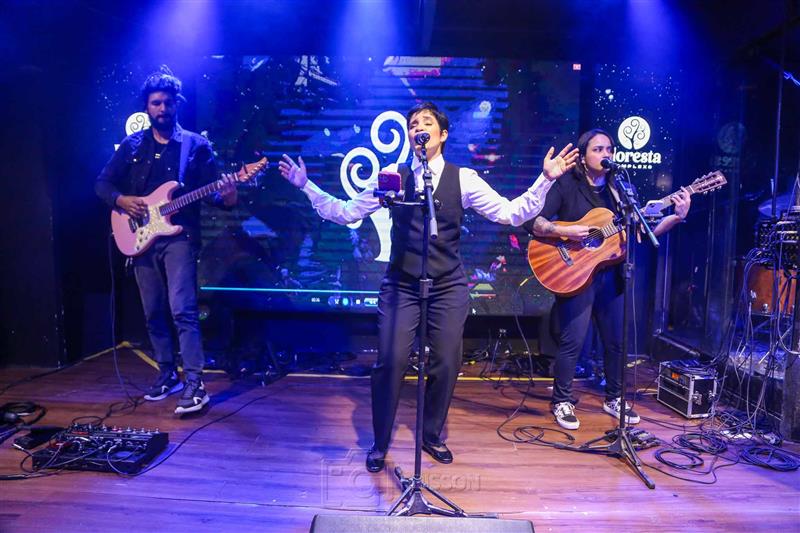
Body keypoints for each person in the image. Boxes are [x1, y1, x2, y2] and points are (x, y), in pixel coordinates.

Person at [279, 101, 579, 472]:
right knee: (391, 361)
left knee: (447, 361)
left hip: (448, 284)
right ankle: (380, 442)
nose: (418, 128)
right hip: (401, 283)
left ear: (443, 134)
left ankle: (432, 435)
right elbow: (346, 212)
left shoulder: (463, 178)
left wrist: (545, 179)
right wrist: (306, 186)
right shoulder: (392, 175)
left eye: (426, 122)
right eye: (413, 124)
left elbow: (510, 213)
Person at [526, 128, 690, 430]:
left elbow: (643, 232)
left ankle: (614, 397)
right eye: (598, 149)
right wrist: (567, 231)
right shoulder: (566, 185)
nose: (606, 154)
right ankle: (562, 400)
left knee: (616, 342)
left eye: (609, 149)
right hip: (573, 272)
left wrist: (676, 217)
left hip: (611, 275)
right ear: (583, 156)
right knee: (573, 341)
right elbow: (533, 221)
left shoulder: (620, 190)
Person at [95, 69, 237, 415]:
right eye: (156, 103)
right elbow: (102, 184)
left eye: (167, 103)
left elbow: (212, 194)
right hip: (140, 238)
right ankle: (166, 373)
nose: (162, 108)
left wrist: (228, 195)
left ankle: (195, 382)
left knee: (182, 309)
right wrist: (121, 200)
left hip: (179, 238)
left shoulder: (195, 146)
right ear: (147, 107)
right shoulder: (132, 146)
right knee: (153, 311)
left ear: (177, 105)